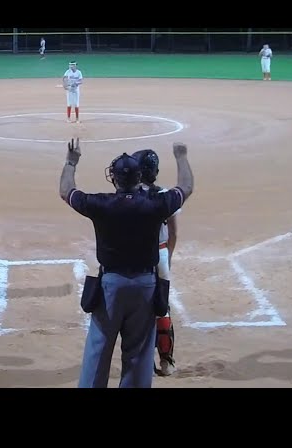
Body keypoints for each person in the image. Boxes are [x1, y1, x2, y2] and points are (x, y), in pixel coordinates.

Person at [60, 138, 194, 388]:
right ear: (139, 176)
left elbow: (66, 191)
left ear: (115, 179)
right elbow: (185, 186)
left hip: (110, 287)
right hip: (146, 286)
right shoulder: (157, 204)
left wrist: (71, 162)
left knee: (98, 351)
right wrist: (181, 156)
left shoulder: (101, 204)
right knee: (139, 355)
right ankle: (165, 361)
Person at [133, 149, 180, 377]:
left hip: (138, 257)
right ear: (156, 172)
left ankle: (143, 362)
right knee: (162, 308)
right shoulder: (164, 195)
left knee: (138, 310)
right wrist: (167, 257)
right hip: (160, 254)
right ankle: (166, 362)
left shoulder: (129, 195)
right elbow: (173, 233)